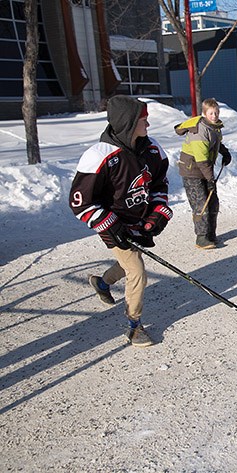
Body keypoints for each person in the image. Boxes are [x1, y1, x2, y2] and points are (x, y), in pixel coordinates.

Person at [70, 96, 171, 347]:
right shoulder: (99, 155)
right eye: (143, 120)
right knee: (136, 269)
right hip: (112, 223)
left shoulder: (152, 149)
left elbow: (160, 184)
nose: (148, 124)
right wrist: (111, 225)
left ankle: (102, 283)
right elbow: (79, 201)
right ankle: (135, 326)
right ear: (127, 123)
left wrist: (157, 212)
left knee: (130, 259)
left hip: (138, 219)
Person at [175, 98, 232, 249]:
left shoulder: (214, 127)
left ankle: (210, 234)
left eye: (217, 112)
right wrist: (210, 179)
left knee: (213, 202)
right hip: (192, 170)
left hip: (204, 170)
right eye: (211, 113)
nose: (215, 116)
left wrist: (224, 152)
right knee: (201, 203)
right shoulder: (199, 130)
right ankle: (201, 238)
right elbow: (201, 160)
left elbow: (215, 142)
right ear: (204, 113)